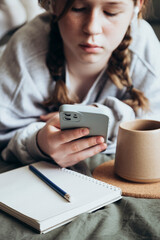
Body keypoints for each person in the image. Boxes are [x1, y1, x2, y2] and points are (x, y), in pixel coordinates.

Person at [0, 0, 160, 169]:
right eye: (77, 9)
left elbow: (153, 125)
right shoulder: (24, 52)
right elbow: (4, 135)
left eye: (111, 12)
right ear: (53, 4)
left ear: (137, 6)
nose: (92, 28)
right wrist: (39, 142)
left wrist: (104, 118)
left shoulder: (145, 49)